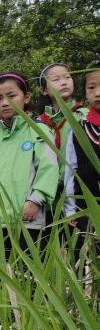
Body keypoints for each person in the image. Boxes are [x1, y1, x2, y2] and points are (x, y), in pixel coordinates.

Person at [0, 71, 59, 250]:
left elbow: (49, 168)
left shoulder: (38, 130)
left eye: (11, 96)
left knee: (29, 274)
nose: (5, 103)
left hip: (27, 217)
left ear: (26, 97)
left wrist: (36, 200)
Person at [63, 68, 99, 248]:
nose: (97, 93)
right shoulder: (78, 130)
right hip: (86, 209)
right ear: (85, 94)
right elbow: (71, 170)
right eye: (91, 88)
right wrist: (70, 209)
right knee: (88, 263)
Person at [35, 63, 85, 151]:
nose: (64, 83)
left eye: (67, 77)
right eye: (56, 79)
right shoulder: (39, 123)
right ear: (44, 90)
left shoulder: (84, 116)